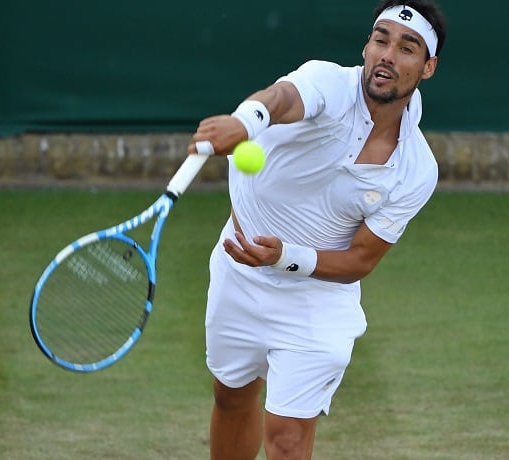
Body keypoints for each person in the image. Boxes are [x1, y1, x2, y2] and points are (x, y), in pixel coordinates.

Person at [187, 1, 447, 458]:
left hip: (316, 299)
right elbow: (283, 98)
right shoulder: (328, 81)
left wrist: (285, 256)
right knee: (230, 396)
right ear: (366, 47)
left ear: (427, 67)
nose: (388, 54)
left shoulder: (416, 168)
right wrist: (244, 122)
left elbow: (360, 259)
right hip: (238, 272)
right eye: (380, 39)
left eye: (407, 48)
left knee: (287, 439)